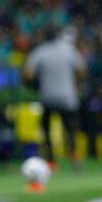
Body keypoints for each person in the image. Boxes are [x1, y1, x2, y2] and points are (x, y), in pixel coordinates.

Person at [23, 27, 87, 171]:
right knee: (69, 129)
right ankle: (74, 156)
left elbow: (28, 73)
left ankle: (51, 162)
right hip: (67, 96)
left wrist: (36, 84)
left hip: (48, 96)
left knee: (47, 130)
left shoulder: (40, 51)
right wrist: (76, 83)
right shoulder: (68, 50)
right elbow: (82, 70)